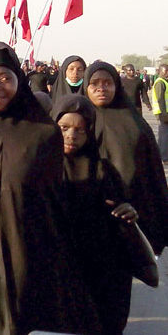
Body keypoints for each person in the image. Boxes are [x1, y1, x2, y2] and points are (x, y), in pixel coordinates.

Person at [0, 41, 100, 335]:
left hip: (25, 254)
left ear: (18, 80)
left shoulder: (42, 134)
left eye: (4, 78)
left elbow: (54, 203)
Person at [51, 95, 139, 334]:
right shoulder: (39, 169)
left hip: (99, 276)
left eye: (80, 129)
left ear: (91, 132)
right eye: (64, 128)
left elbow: (122, 212)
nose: (71, 135)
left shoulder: (103, 170)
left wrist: (128, 212)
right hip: (56, 275)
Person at [84, 61, 168, 254]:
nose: (101, 88)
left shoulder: (136, 125)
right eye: (95, 83)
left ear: (116, 85)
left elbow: (153, 175)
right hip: (87, 215)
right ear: (86, 87)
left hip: (131, 215)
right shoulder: (77, 121)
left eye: (107, 83)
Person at [152, 64, 168, 162]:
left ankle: (160, 155)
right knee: (164, 135)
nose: (167, 73)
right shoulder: (160, 83)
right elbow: (160, 99)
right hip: (162, 113)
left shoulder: (164, 82)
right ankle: (164, 157)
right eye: (166, 71)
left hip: (164, 112)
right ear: (161, 71)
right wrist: (164, 113)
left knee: (163, 135)